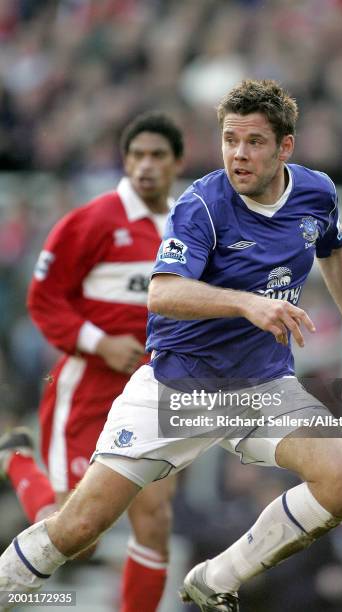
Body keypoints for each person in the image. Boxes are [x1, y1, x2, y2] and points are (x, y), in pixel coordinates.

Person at [0, 80, 342, 612]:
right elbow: (163, 292)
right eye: (230, 140)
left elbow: (336, 252)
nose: (238, 155)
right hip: (177, 388)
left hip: (262, 383)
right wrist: (247, 304)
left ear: (285, 148)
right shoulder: (202, 203)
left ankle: (217, 578)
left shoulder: (317, 193)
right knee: (76, 530)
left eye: (253, 142)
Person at [0, 111, 184, 612]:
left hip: (151, 395)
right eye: (137, 155)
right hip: (87, 389)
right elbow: (43, 298)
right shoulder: (92, 221)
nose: (146, 166)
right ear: (125, 161)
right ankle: (16, 459)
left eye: (157, 156)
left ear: (176, 163)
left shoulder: (186, 229)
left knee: (156, 520)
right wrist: (100, 343)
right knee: (78, 535)